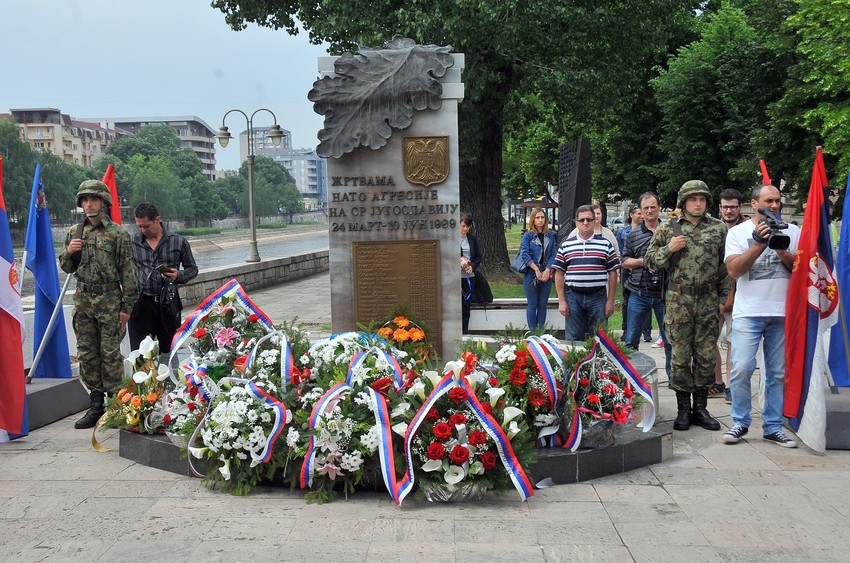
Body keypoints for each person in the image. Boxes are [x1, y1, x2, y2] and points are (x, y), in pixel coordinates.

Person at [645, 181, 731, 432]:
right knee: (681, 357)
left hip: (707, 300)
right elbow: (651, 262)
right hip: (678, 300)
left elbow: (725, 267)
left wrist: (723, 299)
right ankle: (683, 410)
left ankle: (700, 409)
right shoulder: (667, 228)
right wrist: (669, 249)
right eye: (693, 199)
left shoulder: (718, 228)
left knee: (705, 356)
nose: (698, 203)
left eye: (702, 199)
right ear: (683, 202)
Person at [723, 184, 800, 447]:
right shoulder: (737, 232)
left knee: (777, 372)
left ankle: (773, 426)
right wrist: (758, 243)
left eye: (778, 200)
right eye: (769, 200)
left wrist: (781, 250)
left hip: (781, 311)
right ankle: (740, 422)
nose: (775, 205)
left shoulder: (793, 230)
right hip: (749, 311)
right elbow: (734, 271)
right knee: (742, 368)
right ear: (754, 204)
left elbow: (801, 269)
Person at [59, 180, 138, 430]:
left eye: (93, 199)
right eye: (85, 200)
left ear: (104, 202)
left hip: (109, 299)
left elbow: (127, 272)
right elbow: (67, 268)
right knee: (87, 354)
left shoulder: (117, 233)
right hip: (83, 299)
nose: (89, 204)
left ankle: (117, 404)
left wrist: (127, 308)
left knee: (110, 354)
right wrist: (69, 252)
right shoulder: (74, 232)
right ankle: (95, 405)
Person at [129, 203, 198, 355]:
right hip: (141, 305)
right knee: (139, 354)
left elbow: (192, 269)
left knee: (170, 352)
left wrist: (178, 275)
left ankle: (169, 379)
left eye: (146, 226)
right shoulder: (132, 242)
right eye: (139, 226)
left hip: (167, 304)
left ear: (157, 219)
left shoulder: (178, 241)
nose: (143, 230)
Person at [622, 192, 672, 376]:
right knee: (631, 340)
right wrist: (646, 261)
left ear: (659, 208)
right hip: (639, 293)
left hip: (664, 294)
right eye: (646, 208)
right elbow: (624, 261)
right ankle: (631, 378)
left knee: (669, 340)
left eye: (653, 207)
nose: (650, 211)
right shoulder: (633, 235)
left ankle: (673, 379)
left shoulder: (670, 231)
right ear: (640, 212)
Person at [553, 205, 620, 341]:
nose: (585, 223)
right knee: (573, 340)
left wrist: (610, 301)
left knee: (600, 339)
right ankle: (574, 363)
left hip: (598, 297)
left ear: (595, 220)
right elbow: (559, 273)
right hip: (573, 297)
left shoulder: (605, 244)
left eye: (589, 219)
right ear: (576, 222)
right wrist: (562, 301)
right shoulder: (566, 245)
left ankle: (598, 362)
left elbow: (613, 272)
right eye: (582, 220)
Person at [711, 188, 745, 402]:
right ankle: (717, 381)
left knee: (733, 341)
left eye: (733, 206)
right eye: (725, 206)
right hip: (713, 294)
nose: (729, 210)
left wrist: (730, 300)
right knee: (709, 339)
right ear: (720, 208)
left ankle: (731, 386)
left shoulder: (748, 230)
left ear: (740, 207)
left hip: (739, 294)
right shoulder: (713, 229)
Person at [617, 204, 652, 342]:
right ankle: (626, 330)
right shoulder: (623, 233)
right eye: (638, 213)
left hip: (644, 271)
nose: (641, 215)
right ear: (631, 215)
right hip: (627, 271)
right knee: (628, 302)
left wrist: (636, 264)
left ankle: (646, 330)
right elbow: (622, 253)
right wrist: (629, 265)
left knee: (647, 299)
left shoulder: (648, 231)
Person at [519, 207, 557, 330]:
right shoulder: (528, 235)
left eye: (542, 217)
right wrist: (536, 269)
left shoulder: (550, 235)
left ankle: (541, 332)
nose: (540, 220)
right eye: (537, 217)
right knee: (532, 304)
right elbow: (524, 253)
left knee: (542, 304)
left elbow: (553, 254)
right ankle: (533, 333)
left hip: (546, 272)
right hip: (531, 272)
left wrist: (547, 270)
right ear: (533, 220)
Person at [459, 211, 482, 334]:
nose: (465, 229)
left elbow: (478, 257)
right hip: (455, 278)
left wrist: (472, 266)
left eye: (467, 226)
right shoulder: (451, 238)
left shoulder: (472, 239)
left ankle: (464, 332)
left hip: (469, 277)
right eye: (463, 226)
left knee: (466, 307)